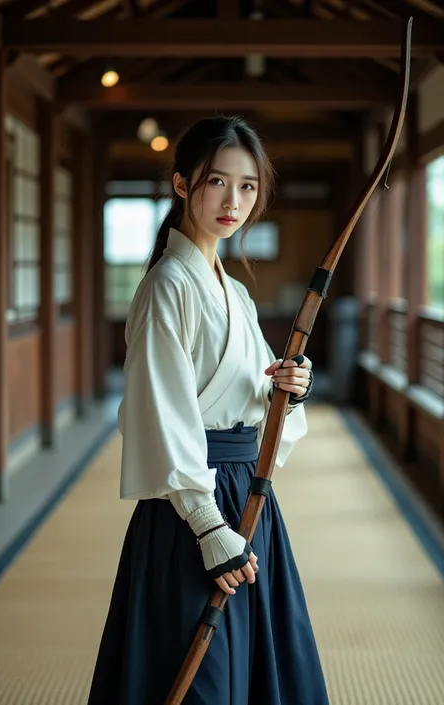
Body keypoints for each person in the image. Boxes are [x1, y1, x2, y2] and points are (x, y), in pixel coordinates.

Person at [87, 115, 329, 704]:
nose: (233, 200)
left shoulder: (235, 291)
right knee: (196, 676)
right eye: (217, 181)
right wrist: (207, 526)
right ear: (180, 184)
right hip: (192, 511)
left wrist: (291, 385)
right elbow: (160, 414)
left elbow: (259, 393)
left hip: (248, 497)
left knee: (250, 666)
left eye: (247, 186)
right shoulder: (168, 285)